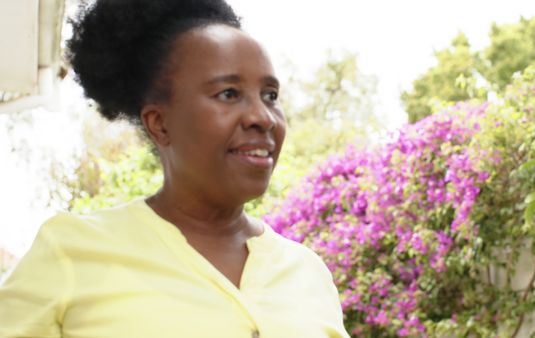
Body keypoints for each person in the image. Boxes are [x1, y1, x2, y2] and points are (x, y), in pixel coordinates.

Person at [0, 0, 349, 337]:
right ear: (160, 123)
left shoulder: (308, 273)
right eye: (228, 93)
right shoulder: (72, 251)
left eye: (270, 95)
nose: (262, 117)